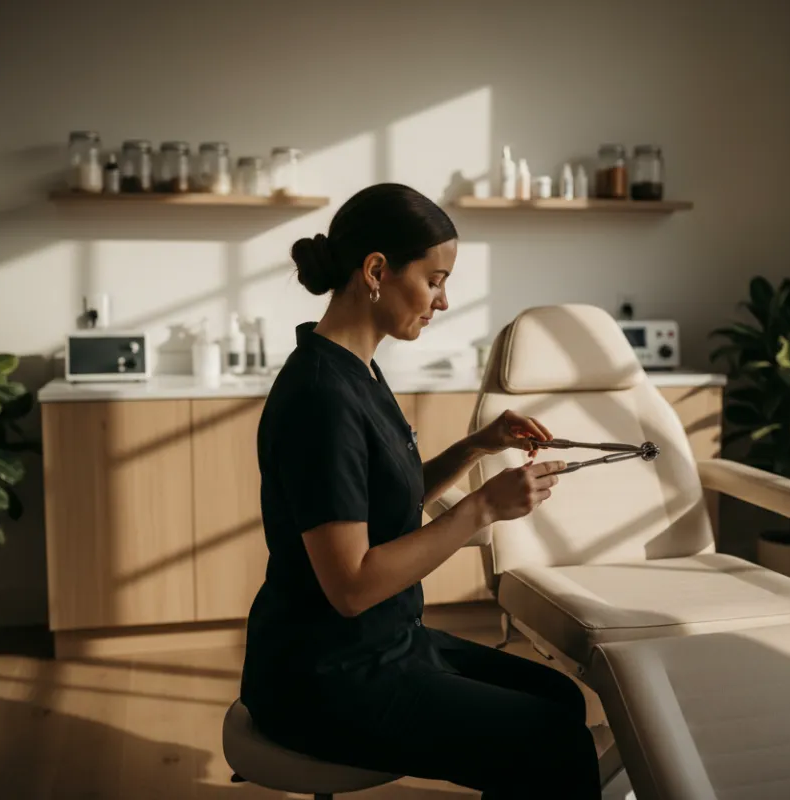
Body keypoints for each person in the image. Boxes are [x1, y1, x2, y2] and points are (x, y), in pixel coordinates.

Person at [239, 183, 602, 799]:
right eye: (434, 279)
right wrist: (482, 507)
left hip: (385, 644)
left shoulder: (359, 370)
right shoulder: (321, 398)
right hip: (325, 675)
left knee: (558, 697)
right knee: (550, 738)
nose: (443, 299)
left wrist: (476, 447)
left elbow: (382, 503)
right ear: (377, 270)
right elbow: (351, 587)